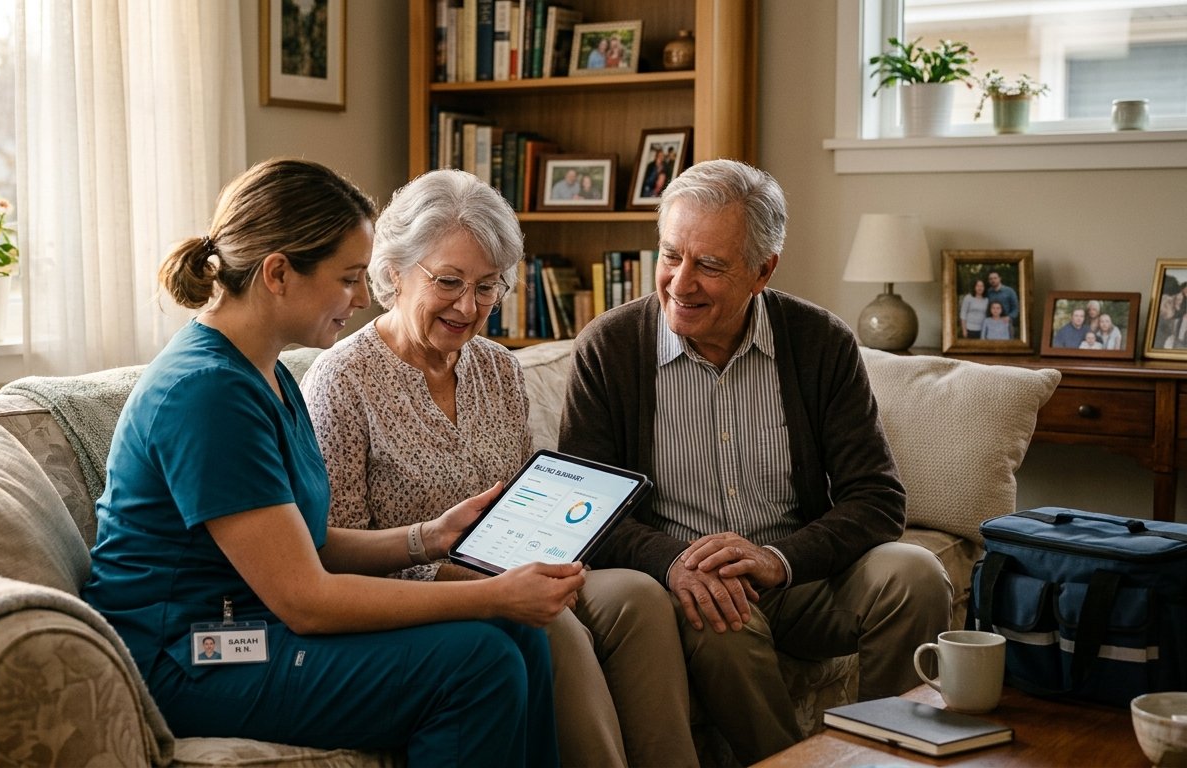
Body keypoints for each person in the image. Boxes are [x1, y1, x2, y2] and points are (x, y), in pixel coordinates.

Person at [81, 158, 583, 766]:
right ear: (278, 274)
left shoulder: (261, 370)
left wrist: (429, 538)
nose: (363, 296)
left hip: (246, 630)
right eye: (347, 278)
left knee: (517, 638)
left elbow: (305, 543)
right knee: (480, 662)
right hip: (195, 654)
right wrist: (492, 595)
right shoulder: (207, 391)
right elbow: (307, 600)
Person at [556, 158, 952, 765]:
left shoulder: (820, 342)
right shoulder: (610, 349)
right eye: (670, 255)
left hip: (802, 573)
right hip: (699, 587)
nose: (680, 283)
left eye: (710, 265)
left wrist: (778, 560)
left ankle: (888, 754)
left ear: (763, 271)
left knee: (915, 573)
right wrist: (675, 564)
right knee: (718, 625)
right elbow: (584, 513)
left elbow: (877, 499)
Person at [303, 168, 700, 767]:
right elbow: (337, 548)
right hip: (416, 592)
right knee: (554, 627)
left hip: (519, 563)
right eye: (449, 281)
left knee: (640, 597)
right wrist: (485, 583)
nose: (469, 306)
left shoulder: (497, 368)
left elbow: (524, 499)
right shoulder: (342, 380)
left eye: (488, 287)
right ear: (393, 273)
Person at [984, 271, 1019, 337]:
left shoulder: (1010, 291)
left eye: (995, 278)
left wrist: (1009, 317)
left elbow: (1016, 308)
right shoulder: (988, 292)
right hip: (992, 324)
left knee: (1008, 345)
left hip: (1006, 323)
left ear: (1000, 278)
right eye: (990, 279)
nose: (993, 280)